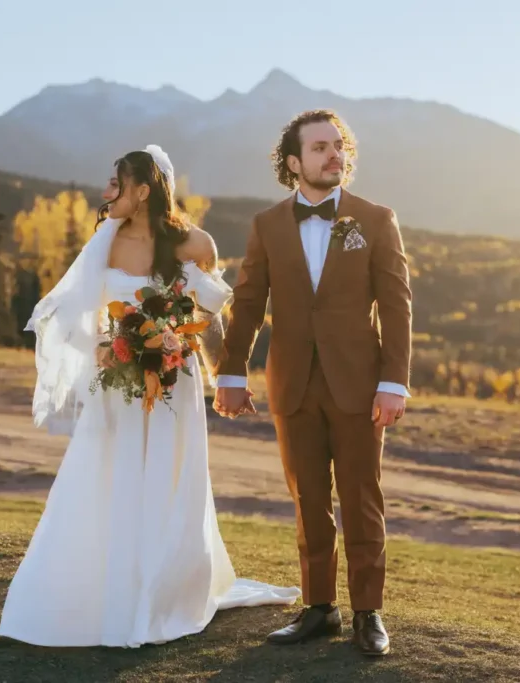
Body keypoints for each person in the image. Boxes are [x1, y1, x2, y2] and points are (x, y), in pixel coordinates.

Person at [0, 145, 299, 649]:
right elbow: (77, 316)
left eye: (115, 183)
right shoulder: (105, 242)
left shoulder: (195, 243)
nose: (106, 192)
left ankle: (167, 590)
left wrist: (225, 377)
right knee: (110, 477)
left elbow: (207, 321)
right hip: (117, 385)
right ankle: (107, 588)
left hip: (175, 385)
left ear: (142, 191)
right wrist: (105, 347)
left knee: (170, 476)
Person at [213, 110, 413, 657]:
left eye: (338, 145)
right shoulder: (268, 225)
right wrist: (231, 372)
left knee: (362, 498)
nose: (334, 155)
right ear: (294, 162)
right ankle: (319, 608)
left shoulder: (376, 219)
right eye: (321, 147)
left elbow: (397, 306)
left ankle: (368, 613)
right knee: (308, 500)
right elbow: (248, 304)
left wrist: (394, 382)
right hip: (292, 382)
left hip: (359, 384)